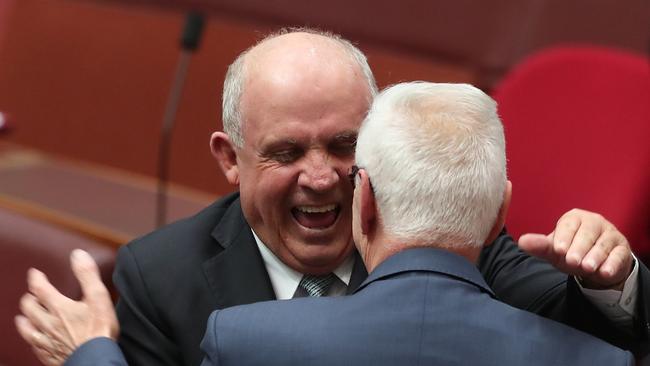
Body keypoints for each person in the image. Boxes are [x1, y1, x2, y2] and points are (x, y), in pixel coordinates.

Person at [16, 29, 650, 365]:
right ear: (230, 160)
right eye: (287, 152)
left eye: (345, 145)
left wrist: (615, 284)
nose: (321, 178)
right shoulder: (161, 278)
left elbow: (587, 342)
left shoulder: (453, 245)